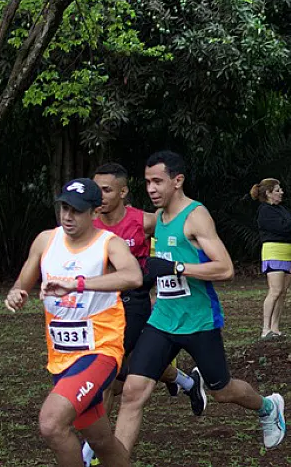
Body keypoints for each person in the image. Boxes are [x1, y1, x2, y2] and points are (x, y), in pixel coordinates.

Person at [114, 151, 287, 456]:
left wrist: (176, 268)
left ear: (177, 180)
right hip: (163, 320)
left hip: (199, 321)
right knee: (132, 392)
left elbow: (225, 269)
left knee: (222, 390)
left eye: (157, 181)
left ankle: (268, 407)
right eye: (147, 182)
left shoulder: (195, 216)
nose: (151, 188)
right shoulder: (159, 218)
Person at [3, 178, 143, 467]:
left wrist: (78, 284)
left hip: (100, 351)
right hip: (62, 358)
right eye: (64, 208)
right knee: (101, 441)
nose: (68, 216)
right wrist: (16, 293)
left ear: (94, 212)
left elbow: (133, 276)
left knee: (52, 423)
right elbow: (22, 282)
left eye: (77, 210)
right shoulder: (46, 240)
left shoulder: (109, 244)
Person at [91, 163, 198, 419]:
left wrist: (172, 280)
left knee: (108, 374)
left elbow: (178, 235)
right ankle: (188, 383)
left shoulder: (145, 221)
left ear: (123, 192)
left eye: (106, 190)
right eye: (96, 190)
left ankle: (92, 443)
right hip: (98, 305)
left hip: (132, 303)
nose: (99, 196)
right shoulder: (88, 224)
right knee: (135, 366)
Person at [252, 178, 291, 339]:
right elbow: (286, 227)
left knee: (283, 292)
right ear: (268, 193)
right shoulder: (265, 211)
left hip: (287, 252)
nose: (281, 192)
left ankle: (275, 327)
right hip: (274, 252)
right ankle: (265, 329)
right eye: (278, 190)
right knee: (275, 290)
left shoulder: (281, 209)